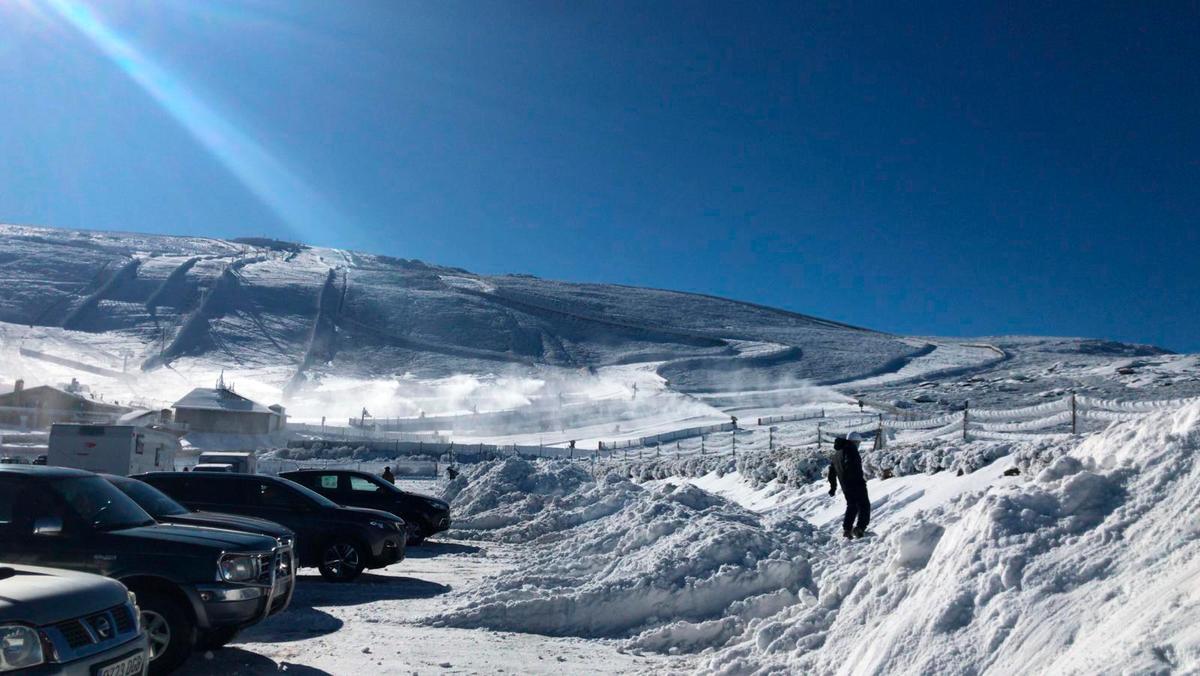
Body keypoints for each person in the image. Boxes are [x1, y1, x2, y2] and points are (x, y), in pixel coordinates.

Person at [828, 434, 871, 539]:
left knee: (852, 506)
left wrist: (833, 487)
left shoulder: (836, 455)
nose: (858, 445)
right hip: (856, 483)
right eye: (858, 443)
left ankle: (847, 530)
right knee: (864, 505)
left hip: (846, 486)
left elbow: (831, 473)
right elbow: (851, 465)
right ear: (854, 441)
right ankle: (860, 528)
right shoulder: (851, 449)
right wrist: (857, 480)